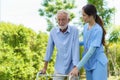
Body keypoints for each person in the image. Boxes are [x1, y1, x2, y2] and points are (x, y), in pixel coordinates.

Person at [69, 4, 108, 80]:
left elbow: (91, 51)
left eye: (84, 15)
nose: (82, 17)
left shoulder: (98, 30)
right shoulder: (85, 27)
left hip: (98, 62)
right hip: (89, 63)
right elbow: (87, 42)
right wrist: (75, 43)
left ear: (91, 16)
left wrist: (77, 67)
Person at [40, 10, 80, 80]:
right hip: (59, 66)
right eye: (59, 20)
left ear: (68, 20)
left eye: (63, 20)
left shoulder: (74, 30)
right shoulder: (53, 32)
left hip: (72, 66)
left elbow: (75, 49)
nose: (61, 22)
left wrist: (75, 67)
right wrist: (45, 67)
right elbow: (49, 49)